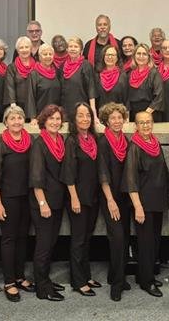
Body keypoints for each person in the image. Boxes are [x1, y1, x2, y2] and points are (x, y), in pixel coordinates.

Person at [0, 104, 35, 302]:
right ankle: (9, 282)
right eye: (12, 118)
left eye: (19, 118)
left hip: (27, 197)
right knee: (9, 239)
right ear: (5, 122)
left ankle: (20, 276)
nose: (16, 121)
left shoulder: (30, 141)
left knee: (23, 238)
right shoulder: (0, 145)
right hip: (8, 198)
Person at [123, 110, 169, 298]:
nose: (146, 125)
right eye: (141, 123)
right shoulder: (134, 147)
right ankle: (147, 282)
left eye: (148, 122)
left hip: (157, 201)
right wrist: (138, 207)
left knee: (154, 241)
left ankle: (145, 275)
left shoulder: (154, 143)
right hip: (143, 204)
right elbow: (131, 180)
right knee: (145, 244)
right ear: (136, 126)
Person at [61, 103, 101, 296]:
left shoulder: (93, 139)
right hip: (77, 198)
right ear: (74, 119)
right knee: (78, 240)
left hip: (93, 196)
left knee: (87, 237)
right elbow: (68, 173)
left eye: (88, 115)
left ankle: (86, 275)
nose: (85, 119)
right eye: (81, 115)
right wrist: (74, 198)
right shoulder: (71, 141)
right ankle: (78, 281)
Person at [30, 104, 68, 301]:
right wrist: (43, 204)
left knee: (51, 242)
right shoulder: (39, 144)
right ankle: (42, 288)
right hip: (43, 203)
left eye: (58, 118)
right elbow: (36, 177)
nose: (55, 122)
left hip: (57, 200)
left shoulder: (60, 140)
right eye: (51, 118)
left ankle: (45, 279)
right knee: (43, 245)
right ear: (43, 121)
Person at [97, 102, 132, 301]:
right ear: (107, 121)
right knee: (117, 238)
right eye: (113, 118)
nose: (117, 121)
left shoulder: (125, 140)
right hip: (110, 196)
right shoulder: (103, 142)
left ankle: (115, 275)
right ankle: (116, 286)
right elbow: (102, 173)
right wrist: (110, 200)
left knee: (125, 237)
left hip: (124, 196)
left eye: (120, 117)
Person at [60, 37, 98, 122]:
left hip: (82, 109)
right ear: (67, 49)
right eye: (70, 46)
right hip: (65, 110)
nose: (73, 49)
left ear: (81, 49)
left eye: (76, 46)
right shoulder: (62, 66)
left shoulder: (86, 65)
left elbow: (91, 90)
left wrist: (94, 114)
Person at [127, 43, 164, 121]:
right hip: (133, 113)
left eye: (144, 54)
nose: (141, 56)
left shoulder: (154, 73)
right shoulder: (129, 74)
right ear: (134, 56)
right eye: (138, 53)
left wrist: (145, 114)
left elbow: (159, 97)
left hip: (150, 113)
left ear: (149, 57)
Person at [29, 44, 62, 120]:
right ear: (40, 57)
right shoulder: (34, 74)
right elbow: (30, 97)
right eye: (45, 54)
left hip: (55, 116)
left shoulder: (57, 72)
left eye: (50, 54)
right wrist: (33, 118)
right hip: (40, 116)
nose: (48, 56)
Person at [6, 36, 35, 114]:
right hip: (18, 106)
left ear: (31, 49)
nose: (24, 50)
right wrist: (13, 104)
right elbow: (10, 86)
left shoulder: (37, 65)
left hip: (35, 105)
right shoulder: (11, 67)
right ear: (17, 50)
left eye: (27, 47)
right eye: (21, 47)